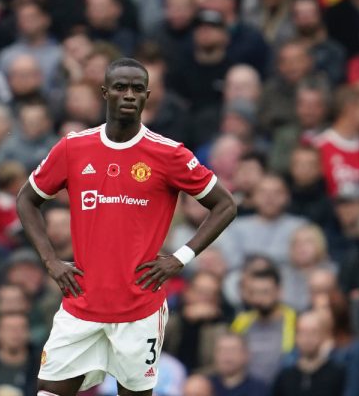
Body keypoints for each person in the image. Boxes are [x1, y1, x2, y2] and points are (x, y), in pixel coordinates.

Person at [16, 57, 237, 396]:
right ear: (105, 93)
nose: (129, 95)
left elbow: (225, 205)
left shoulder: (168, 154)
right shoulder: (74, 148)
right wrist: (50, 261)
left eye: (137, 89)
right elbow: (27, 199)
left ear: (147, 96)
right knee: (48, 391)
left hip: (139, 308)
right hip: (82, 301)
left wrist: (180, 258)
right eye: (120, 87)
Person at [272, 311, 346, 396]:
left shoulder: (337, 375)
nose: (307, 338)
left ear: (324, 335)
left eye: (313, 332)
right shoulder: (284, 377)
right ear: (296, 336)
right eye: (303, 332)